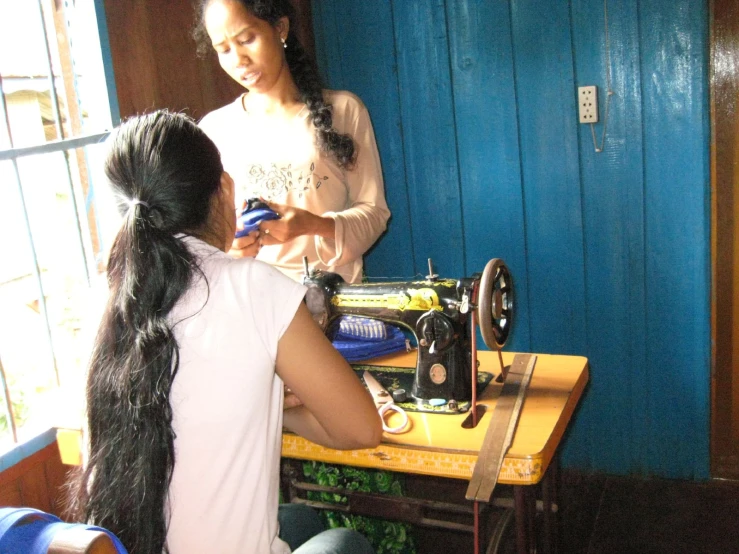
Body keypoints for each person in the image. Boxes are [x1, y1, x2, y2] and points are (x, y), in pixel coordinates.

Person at [67, 111, 382, 554]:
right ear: (225, 190)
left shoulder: (102, 303)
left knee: (300, 518)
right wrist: (281, 402)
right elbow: (361, 428)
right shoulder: (254, 287)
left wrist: (261, 394)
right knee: (346, 542)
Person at [194, 0, 390, 284]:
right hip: (253, 306)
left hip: (333, 305)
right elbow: (200, 239)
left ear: (280, 28)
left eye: (247, 39)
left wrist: (312, 224)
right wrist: (230, 247)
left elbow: (374, 214)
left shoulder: (344, 110)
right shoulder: (213, 130)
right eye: (224, 50)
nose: (238, 60)